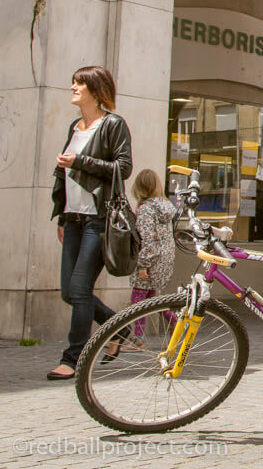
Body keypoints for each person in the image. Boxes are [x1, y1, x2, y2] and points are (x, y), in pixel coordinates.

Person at [47, 66, 133, 380]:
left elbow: (123, 168)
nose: (72, 87)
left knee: (81, 289)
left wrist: (79, 161)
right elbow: (64, 174)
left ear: (95, 91)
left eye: (79, 83)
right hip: (73, 219)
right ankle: (118, 329)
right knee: (69, 292)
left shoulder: (112, 124)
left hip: (99, 219)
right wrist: (61, 213)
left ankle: (73, 359)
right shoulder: (75, 126)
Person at [128, 169, 177, 347]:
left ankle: (138, 338)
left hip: (151, 260)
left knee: (137, 300)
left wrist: (143, 265)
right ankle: (175, 320)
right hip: (164, 260)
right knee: (152, 299)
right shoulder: (165, 207)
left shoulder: (146, 210)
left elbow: (148, 240)